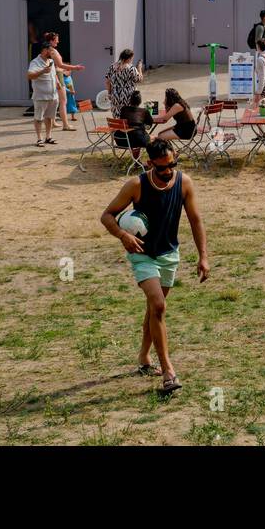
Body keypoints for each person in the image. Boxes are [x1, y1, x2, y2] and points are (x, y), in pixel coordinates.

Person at [100, 140, 209, 396]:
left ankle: (144, 357)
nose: (168, 171)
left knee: (153, 309)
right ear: (149, 164)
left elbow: (195, 220)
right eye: (162, 168)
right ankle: (168, 371)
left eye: (172, 164)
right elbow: (106, 215)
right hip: (143, 254)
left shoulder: (184, 183)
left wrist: (203, 256)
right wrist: (123, 236)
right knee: (159, 306)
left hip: (169, 253)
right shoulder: (136, 185)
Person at [27, 45, 60, 146]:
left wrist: (57, 82)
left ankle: (48, 137)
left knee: (49, 117)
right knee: (39, 118)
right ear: (44, 50)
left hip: (53, 96)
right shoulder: (35, 62)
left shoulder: (51, 61)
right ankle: (39, 139)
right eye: (51, 51)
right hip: (41, 96)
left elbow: (53, 74)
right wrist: (42, 71)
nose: (53, 53)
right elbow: (29, 75)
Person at [106, 49, 143, 116]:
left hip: (115, 94)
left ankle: (118, 126)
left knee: (117, 115)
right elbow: (139, 79)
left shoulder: (112, 66)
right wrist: (139, 68)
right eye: (132, 58)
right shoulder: (131, 68)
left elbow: (108, 81)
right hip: (128, 95)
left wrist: (109, 93)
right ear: (128, 58)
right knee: (128, 115)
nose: (132, 60)